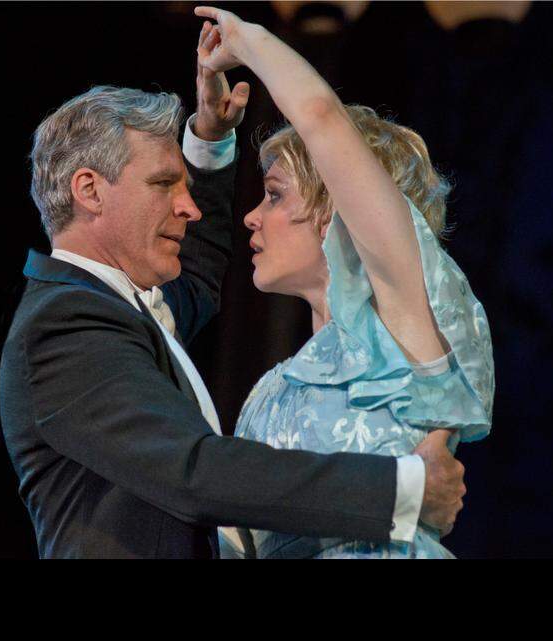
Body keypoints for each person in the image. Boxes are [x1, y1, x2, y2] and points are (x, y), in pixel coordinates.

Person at [0, 25, 465, 559]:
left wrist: (210, 138)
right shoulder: (66, 324)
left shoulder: (119, 308)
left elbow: (194, 269)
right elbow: (192, 472)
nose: (191, 207)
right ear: (89, 190)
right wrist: (404, 491)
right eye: (162, 184)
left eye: (272, 196)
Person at [193, 6, 494, 559]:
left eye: (276, 194)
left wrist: (250, 41)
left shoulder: (403, 326)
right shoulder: (267, 392)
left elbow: (321, 119)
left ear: (334, 210)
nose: (252, 217)